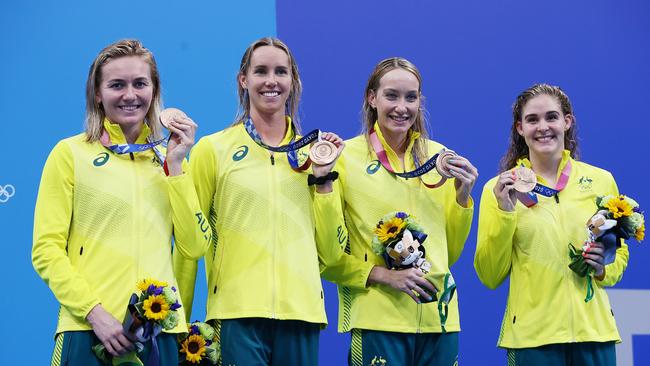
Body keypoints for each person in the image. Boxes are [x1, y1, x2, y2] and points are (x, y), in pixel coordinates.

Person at [32, 39, 210, 365]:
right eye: (117, 85)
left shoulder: (169, 162)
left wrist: (176, 168)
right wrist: (94, 313)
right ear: (97, 94)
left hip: (160, 333)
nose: (130, 95)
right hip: (89, 331)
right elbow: (46, 251)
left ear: (154, 91)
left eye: (140, 83)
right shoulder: (70, 154)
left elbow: (195, 246)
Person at [173, 37, 343, 365]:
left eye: (281, 72)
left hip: (301, 314)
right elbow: (188, 243)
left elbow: (332, 253)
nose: (271, 80)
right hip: (237, 315)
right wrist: (175, 323)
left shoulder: (317, 154)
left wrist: (323, 180)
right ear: (243, 80)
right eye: (261, 71)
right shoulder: (214, 150)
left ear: (293, 82)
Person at [313, 57, 478, 366]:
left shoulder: (439, 158)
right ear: (371, 98)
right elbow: (327, 256)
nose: (402, 107)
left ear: (420, 102)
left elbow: (449, 252)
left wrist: (462, 197)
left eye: (411, 97)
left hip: (439, 319)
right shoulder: (345, 160)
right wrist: (383, 275)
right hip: (378, 320)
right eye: (391, 95)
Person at [474, 83, 628, 365]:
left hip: (594, 335)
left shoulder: (601, 181)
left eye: (551, 117)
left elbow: (618, 253)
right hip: (534, 341)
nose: (543, 127)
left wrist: (603, 268)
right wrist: (505, 212)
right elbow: (489, 274)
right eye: (532, 120)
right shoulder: (498, 190)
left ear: (567, 122)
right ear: (520, 128)